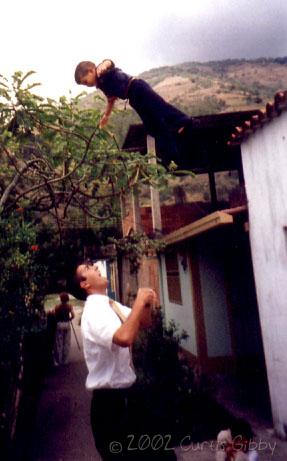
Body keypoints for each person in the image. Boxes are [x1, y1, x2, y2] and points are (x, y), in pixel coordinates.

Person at [75, 259, 177, 460]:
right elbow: (124, 338)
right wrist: (138, 301)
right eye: (89, 268)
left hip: (128, 398)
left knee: (163, 454)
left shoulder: (110, 305)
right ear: (84, 284)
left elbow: (144, 322)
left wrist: (145, 304)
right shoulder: (93, 312)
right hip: (110, 406)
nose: (96, 266)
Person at [74, 59, 191, 168]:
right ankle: (172, 156)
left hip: (137, 88)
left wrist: (104, 64)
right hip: (133, 98)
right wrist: (106, 116)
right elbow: (111, 99)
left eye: (85, 81)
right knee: (152, 126)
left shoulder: (101, 72)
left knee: (160, 108)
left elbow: (109, 63)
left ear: (91, 71)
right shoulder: (101, 85)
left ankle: (184, 121)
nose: (87, 85)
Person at [53, 292, 75, 366]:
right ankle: (65, 360)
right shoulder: (69, 306)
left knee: (59, 343)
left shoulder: (57, 306)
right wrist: (69, 319)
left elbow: (54, 316)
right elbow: (73, 315)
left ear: (61, 299)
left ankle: (59, 360)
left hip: (59, 324)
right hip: (67, 324)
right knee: (66, 343)